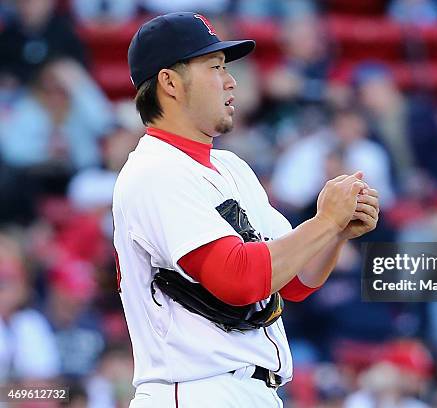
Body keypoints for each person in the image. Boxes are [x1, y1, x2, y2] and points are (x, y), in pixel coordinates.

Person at [113, 12, 379, 407]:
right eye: (214, 67)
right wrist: (324, 221)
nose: (231, 80)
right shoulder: (155, 171)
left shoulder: (230, 167)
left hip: (248, 389)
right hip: (195, 390)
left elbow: (293, 280)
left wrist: (336, 232)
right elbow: (238, 280)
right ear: (170, 82)